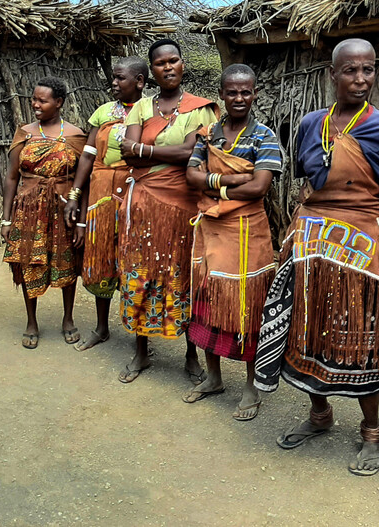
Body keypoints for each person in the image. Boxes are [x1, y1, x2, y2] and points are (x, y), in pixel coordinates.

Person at [254, 38, 379, 475]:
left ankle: (372, 431)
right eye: (350, 71)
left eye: (368, 69)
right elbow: (308, 174)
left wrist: (359, 215)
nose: (360, 79)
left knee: (361, 329)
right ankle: (319, 414)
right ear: (332, 74)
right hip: (310, 235)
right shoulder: (311, 122)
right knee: (308, 324)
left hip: (358, 239)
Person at [117, 39, 219, 384]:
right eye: (160, 63)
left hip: (184, 208)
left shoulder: (201, 109)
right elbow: (126, 154)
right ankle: (141, 350)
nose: (168, 67)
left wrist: (143, 148)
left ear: (183, 65)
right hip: (144, 205)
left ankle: (191, 356)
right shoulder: (142, 108)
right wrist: (163, 151)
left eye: (174, 60)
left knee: (184, 277)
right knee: (139, 274)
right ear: (152, 70)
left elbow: (192, 155)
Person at [184, 64, 282, 420]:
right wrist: (228, 180)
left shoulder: (265, 137)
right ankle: (213, 377)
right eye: (232, 92)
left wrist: (215, 184)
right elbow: (190, 176)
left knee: (246, 309)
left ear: (254, 93)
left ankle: (251, 387)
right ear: (222, 94)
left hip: (246, 234)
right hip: (210, 229)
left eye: (246, 92)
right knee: (208, 301)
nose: (239, 98)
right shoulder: (208, 132)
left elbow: (259, 186)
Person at [65, 57, 147, 351]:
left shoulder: (150, 112)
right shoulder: (102, 113)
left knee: (135, 260)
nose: (113, 83)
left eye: (119, 78)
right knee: (102, 258)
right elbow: (87, 156)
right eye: (113, 78)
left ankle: (140, 335)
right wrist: (75, 195)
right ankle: (101, 327)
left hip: (135, 193)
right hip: (101, 192)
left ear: (138, 81)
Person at [1, 77, 87, 349]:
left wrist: (81, 219)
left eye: (42, 100)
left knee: (68, 261)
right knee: (29, 262)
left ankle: (68, 318)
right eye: (34, 99)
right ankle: (31, 321)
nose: (35, 104)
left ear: (59, 103)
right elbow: (12, 177)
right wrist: (6, 217)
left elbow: (83, 181)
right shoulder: (24, 133)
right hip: (28, 209)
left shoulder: (75, 136)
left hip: (63, 209)